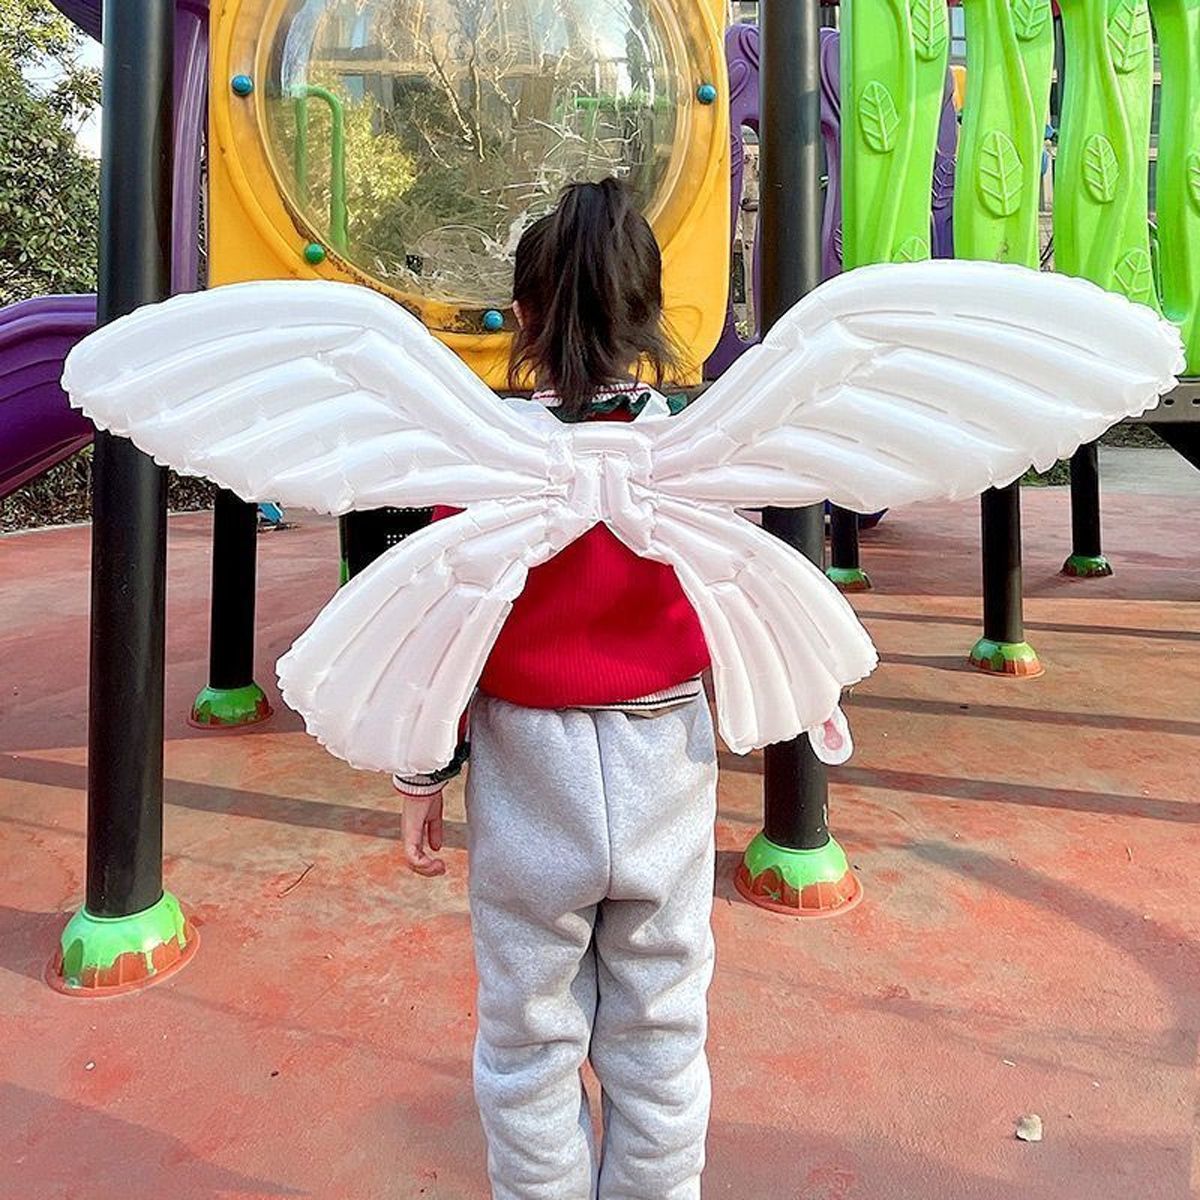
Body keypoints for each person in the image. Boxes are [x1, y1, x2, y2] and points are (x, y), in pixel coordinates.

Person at [393, 178, 719, 1200]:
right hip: (667, 761)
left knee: (529, 1038)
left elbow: (447, 624)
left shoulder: (487, 466)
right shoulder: (699, 461)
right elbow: (740, 606)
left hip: (530, 766)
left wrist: (422, 773)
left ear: (525, 318)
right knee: (661, 1032)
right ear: (651, 317)